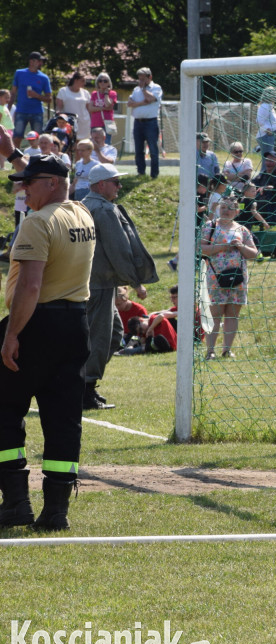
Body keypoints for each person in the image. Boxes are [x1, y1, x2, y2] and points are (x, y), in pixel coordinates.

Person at [0, 154, 95, 532]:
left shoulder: (38, 222)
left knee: (4, 411)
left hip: (37, 324)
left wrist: (11, 335)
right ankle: (56, 511)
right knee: (64, 419)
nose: (22, 189)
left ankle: (15, 504)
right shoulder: (82, 215)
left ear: (52, 182)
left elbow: (31, 286)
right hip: (76, 322)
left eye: (29, 181)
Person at [82, 163, 158, 409]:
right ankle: (85, 389)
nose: (119, 186)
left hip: (95, 282)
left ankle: (85, 385)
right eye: (115, 181)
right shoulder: (103, 209)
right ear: (101, 184)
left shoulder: (83, 205)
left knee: (114, 333)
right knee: (101, 338)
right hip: (100, 284)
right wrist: (136, 282)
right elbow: (119, 250)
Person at [200, 197, 258, 359]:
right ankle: (210, 351)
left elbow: (254, 253)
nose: (226, 210)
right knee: (215, 314)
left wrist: (240, 246)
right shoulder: (209, 226)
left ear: (237, 212)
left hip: (237, 278)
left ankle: (227, 350)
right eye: (223, 207)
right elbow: (201, 248)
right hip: (215, 277)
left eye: (230, 208)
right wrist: (222, 247)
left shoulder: (242, 230)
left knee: (232, 314)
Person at [11, 51, 52, 149]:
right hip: (21, 110)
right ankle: (16, 161)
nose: (41, 63)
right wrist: (8, 108)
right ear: (31, 61)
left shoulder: (44, 78)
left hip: (37, 112)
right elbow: (13, 92)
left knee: (38, 137)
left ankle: (38, 159)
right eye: (39, 61)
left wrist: (36, 95)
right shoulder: (19, 73)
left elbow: (49, 98)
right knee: (17, 136)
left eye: (41, 61)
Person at [127, 68, 163, 178]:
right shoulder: (135, 89)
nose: (141, 81)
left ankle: (154, 174)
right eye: (140, 78)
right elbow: (130, 103)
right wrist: (143, 102)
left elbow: (151, 98)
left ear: (150, 77)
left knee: (153, 150)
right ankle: (141, 172)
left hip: (150, 123)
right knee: (138, 150)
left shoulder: (156, 88)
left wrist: (143, 90)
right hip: (138, 123)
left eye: (143, 78)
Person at [56, 71, 91, 140]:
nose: (84, 83)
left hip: (83, 124)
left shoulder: (86, 93)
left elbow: (89, 109)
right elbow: (59, 107)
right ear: (76, 80)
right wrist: (58, 113)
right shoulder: (63, 91)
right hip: (69, 123)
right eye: (82, 81)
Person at [86, 72, 117, 143]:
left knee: (106, 143)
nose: (102, 82)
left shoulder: (112, 93)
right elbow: (90, 109)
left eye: (105, 81)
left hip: (107, 123)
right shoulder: (94, 94)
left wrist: (106, 94)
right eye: (100, 81)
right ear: (98, 82)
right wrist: (103, 108)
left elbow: (108, 105)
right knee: (95, 144)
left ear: (109, 83)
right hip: (95, 123)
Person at [256, 86, 276, 169]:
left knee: (271, 160)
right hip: (266, 136)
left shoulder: (270, 106)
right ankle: (263, 179)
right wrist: (267, 129)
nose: (275, 96)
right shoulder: (265, 106)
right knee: (268, 161)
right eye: (273, 94)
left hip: (270, 136)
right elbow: (259, 120)